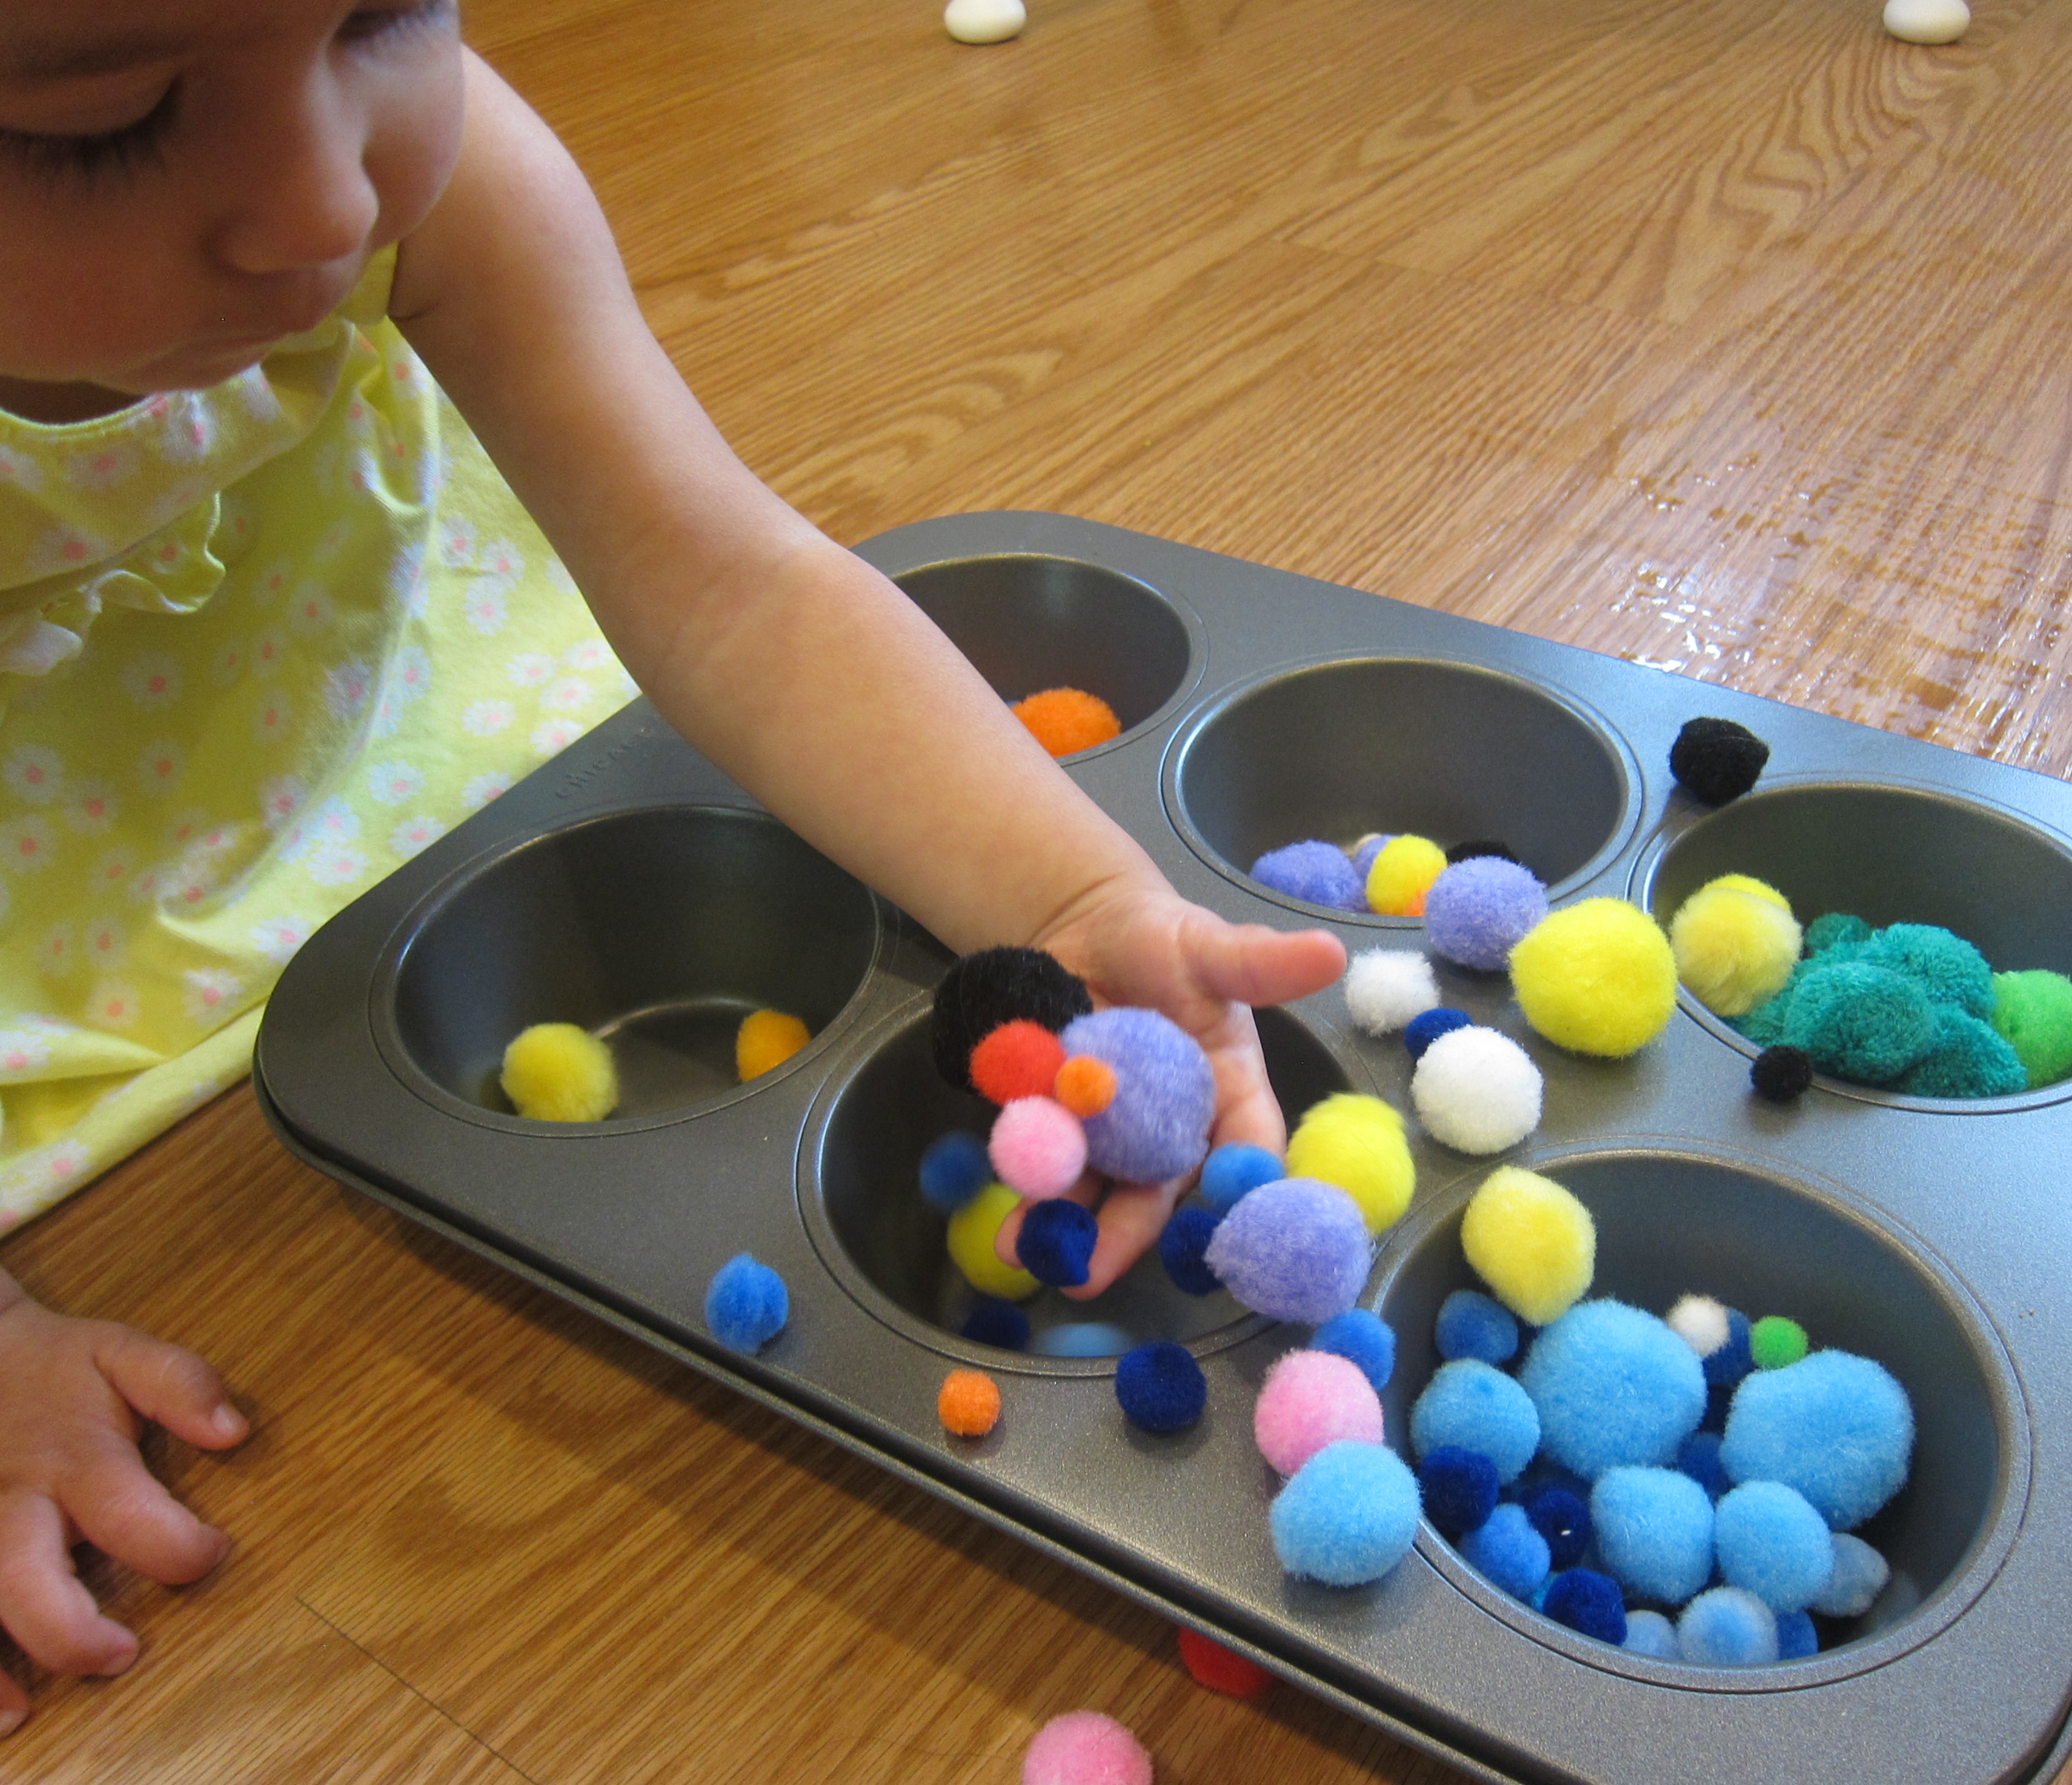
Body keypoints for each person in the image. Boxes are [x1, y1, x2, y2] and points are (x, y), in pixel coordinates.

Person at [0, 0, 1347, 1734]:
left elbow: (733, 589)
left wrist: (1071, 903)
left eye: (384, 15)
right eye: (104, 124)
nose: (327, 199)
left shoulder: (432, 175)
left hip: (402, 705)